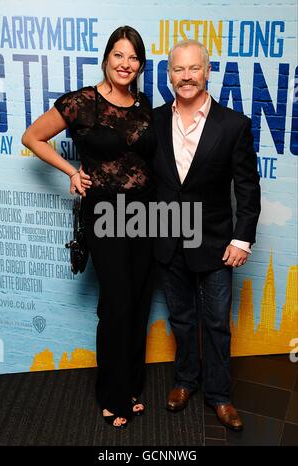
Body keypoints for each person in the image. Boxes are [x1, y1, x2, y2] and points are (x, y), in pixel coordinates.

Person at [22, 26, 156, 428]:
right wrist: (72, 172)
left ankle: (131, 386)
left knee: (138, 300)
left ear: (141, 64)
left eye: (133, 57)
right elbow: (33, 137)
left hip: (146, 213)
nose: (126, 64)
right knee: (116, 302)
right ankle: (111, 394)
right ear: (106, 58)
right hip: (104, 212)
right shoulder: (81, 102)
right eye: (119, 55)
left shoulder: (144, 103)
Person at [152, 40, 261, 431]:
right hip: (166, 238)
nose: (186, 77)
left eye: (193, 69)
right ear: (169, 75)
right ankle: (185, 381)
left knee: (216, 322)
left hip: (216, 242)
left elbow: (247, 187)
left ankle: (219, 395)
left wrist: (242, 239)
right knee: (181, 318)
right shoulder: (154, 120)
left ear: (207, 71)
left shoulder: (233, 125)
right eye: (178, 70)